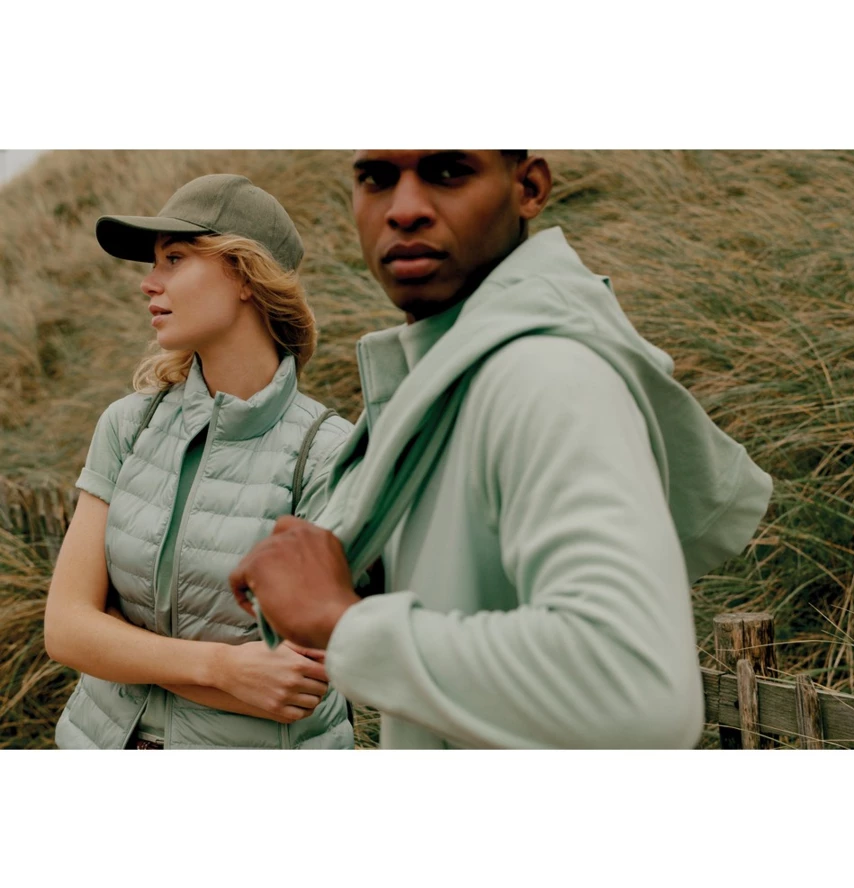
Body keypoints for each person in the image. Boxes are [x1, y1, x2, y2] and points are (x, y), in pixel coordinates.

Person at [229, 151, 774, 749]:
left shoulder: (543, 376)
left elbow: (637, 691)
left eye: (448, 172)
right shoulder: (450, 371)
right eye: (377, 178)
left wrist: (345, 623)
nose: (404, 209)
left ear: (529, 188)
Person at [45, 173, 355, 749]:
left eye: (174, 258)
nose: (148, 282)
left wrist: (118, 642)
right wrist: (224, 668)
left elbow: (300, 685)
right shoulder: (128, 424)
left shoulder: (329, 452)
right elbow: (65, 630)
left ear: (245, 275)